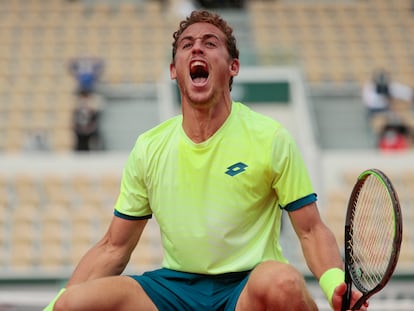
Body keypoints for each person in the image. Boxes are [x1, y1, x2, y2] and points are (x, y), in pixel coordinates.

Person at [45, 10, 367, 311]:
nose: (197, 48)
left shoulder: (271, 138)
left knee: (283, 283)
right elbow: (113, 247)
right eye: (187, 45)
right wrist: (54, 306)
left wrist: (334, 284)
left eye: (210, 43)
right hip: (173, 288)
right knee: (72, 304)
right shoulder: (148, 147)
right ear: (175, 70)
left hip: (246, 285)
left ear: (233, 67)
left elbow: (310, 230)